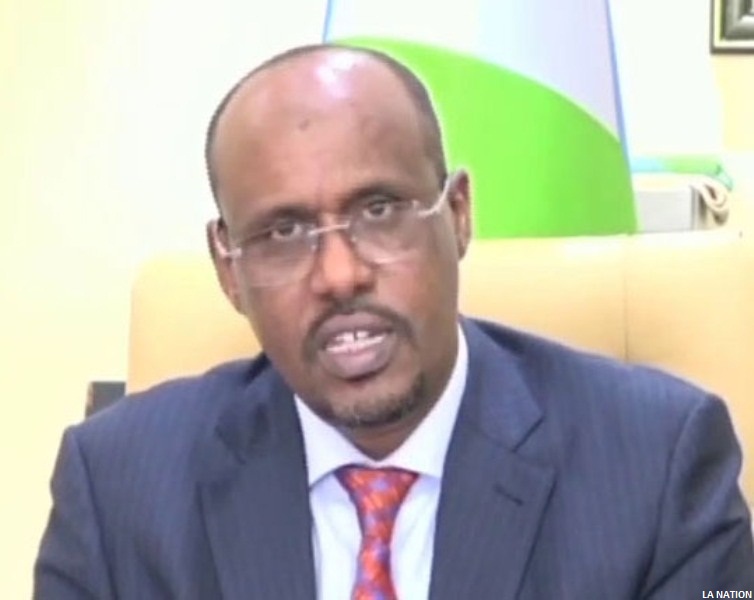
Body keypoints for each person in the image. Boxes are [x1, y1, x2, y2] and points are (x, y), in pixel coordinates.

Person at [35, 43, 754, 599]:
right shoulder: (116, 487)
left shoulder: (659, 463)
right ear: (228, 269)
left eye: (378, 210)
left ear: (459, 214)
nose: (339, 274)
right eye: (284, 232)